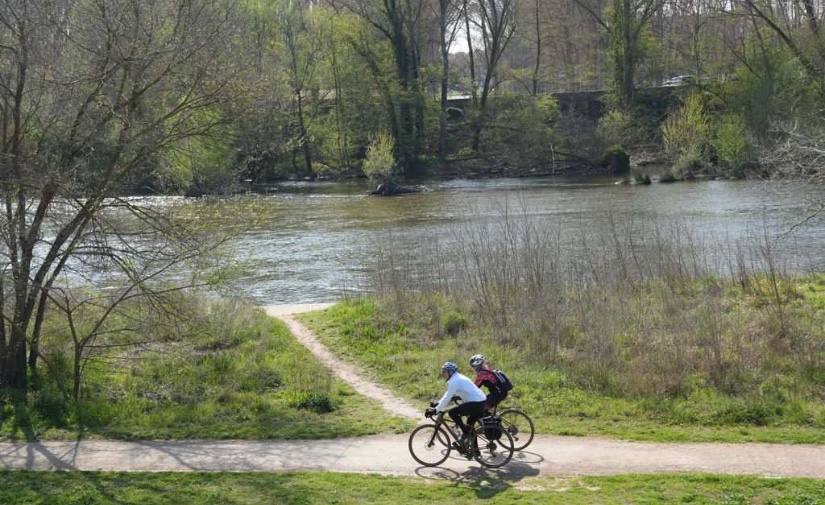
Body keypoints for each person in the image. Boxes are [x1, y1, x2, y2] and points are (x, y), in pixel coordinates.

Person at [425, 361, 487, 449]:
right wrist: (437, 405)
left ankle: (464, 433)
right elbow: (448, 395)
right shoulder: (457, 378)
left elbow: (447, 396)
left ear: (450, 372)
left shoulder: (455, 380)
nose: (442, 374)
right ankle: (475, 451)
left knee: (453, 413)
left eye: (444, 371)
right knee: (470, 426)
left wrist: (436, 410)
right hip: (479, 401)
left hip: (476, 402)